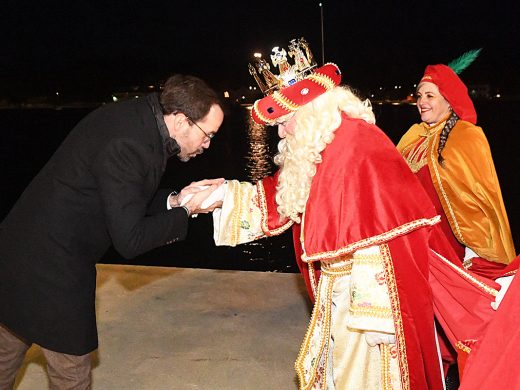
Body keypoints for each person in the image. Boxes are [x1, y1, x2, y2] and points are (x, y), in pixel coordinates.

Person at [212, 41, 444, 389]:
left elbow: (383, 232)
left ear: (310, 113)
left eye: (286, 120)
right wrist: (219, 196)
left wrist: (375, 317)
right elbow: (283, 198)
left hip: (366, 302)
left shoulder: (357, 144)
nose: (281, 131)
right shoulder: (321, 143)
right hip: (336, 288)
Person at [0, 74, 224, 389]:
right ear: (181, 120)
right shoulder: (130, 145)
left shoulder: (140, 121)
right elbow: (130, 240)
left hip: (18, 250)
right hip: (51, 266)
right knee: (71, 374)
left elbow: (125, 197)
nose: (208, 144)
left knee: (5, 349)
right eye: (207, 134)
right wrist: (189, 210)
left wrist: (177, 199)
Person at [396, 56, 518, 379]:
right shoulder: (412, 137)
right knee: (420, 324)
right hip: (417, 247)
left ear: (449, 101)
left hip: (454, 250)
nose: (421, 102)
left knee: (457, 327)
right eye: (419, 95)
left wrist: (477, 251)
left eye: (429, 96)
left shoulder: (466, 137)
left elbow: (482, 199)